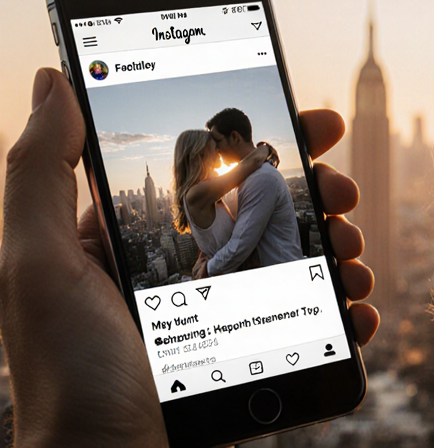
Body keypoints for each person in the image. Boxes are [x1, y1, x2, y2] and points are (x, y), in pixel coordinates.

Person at [0, 69, 378, 446]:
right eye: (211, 146)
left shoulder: (210, 194)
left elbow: (226, 224)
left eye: (218, 142)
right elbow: (240, 195)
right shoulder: (201, 192)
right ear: (199, 154)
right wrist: (262, 152)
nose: (217, 151)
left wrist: (205, 259)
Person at [194, 107, 304, 277]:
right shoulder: (245, 179)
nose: (215, 149)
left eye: (217, 141)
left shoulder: (262, 178)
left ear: (235, 137)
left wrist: (206, 271)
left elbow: (239, 245)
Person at [170, 129, 275, 274]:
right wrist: (267, 147)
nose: (219, 151)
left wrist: (203, 256)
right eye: (215, 146)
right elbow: (252, 162)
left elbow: (209, 235)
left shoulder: (199, 192)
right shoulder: (197, 193)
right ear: (200, 152)